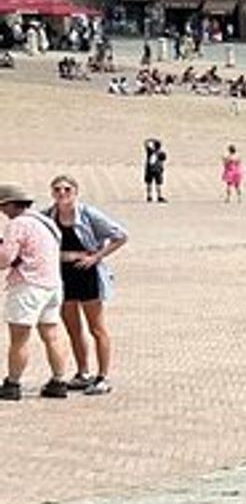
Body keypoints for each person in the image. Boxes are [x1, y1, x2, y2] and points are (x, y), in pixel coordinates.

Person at [46, 176, 128, 395]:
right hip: (62, 275)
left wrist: (96, 257)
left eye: (67, 189)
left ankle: (103, 376)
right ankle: (83, 372)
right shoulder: (47, 216)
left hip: (88, 275)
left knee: (97, 328)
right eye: (57, 189)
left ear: (76, 191)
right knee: (73, 328)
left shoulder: (88, 214)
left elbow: (120, 235)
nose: (62, 193)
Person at [0, 183, 77, 401]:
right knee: (51, 335)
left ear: (10, 204)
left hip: (28, 285)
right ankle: (58, 381)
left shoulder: (18, 224)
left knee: (19, 338)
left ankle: (12, 383)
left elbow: (5, 259)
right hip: (52, 285)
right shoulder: (46, 223)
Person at [143, 138, 168, 203]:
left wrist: (150, 140)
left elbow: (145, 144)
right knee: (158, 184)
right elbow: (162, 162)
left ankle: (149, 196)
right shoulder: (162, 153)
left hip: (149, 170)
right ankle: (159, 196)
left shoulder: (150, 151)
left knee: (149, 184)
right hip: (158, 171)